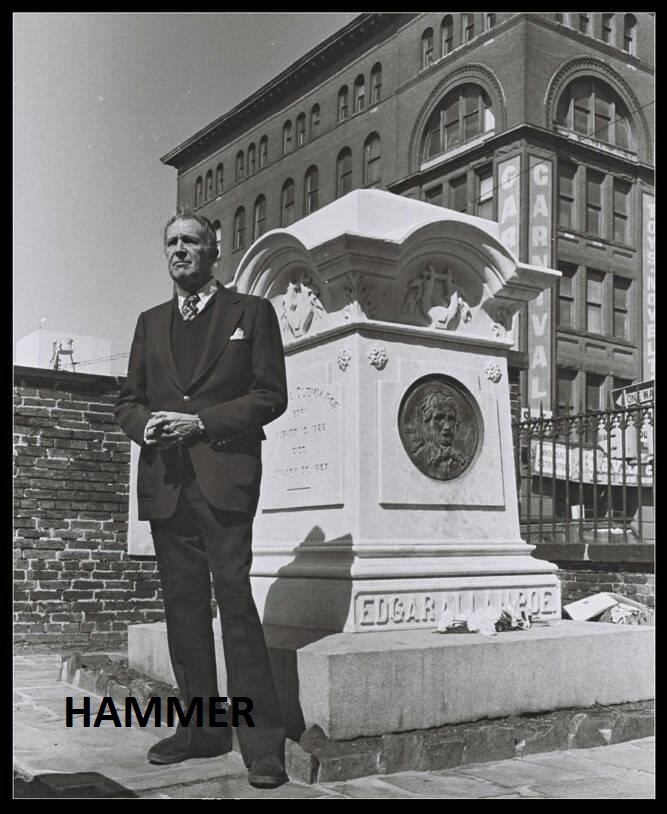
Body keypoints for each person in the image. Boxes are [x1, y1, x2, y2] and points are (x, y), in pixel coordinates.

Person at [114, 212, 289, 789]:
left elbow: (271, 394)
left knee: (235, 606)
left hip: (225, 481)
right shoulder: (149, 322)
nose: (180, 251)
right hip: (167, 484)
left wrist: (202, 423)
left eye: (190, 241)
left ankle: (261, 745)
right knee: (183, 610)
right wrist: (148, 427)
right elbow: (128, 401)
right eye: (171, 243)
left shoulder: (252, 313)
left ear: (215, 249)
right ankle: (202, 731)